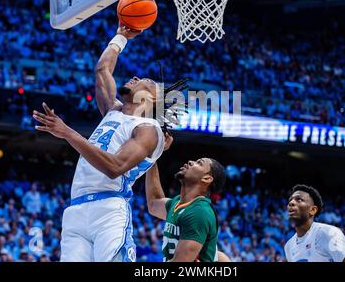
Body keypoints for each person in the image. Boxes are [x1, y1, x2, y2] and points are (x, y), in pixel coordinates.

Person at [32, 24, 167, 262]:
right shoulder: (113, 111)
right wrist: (121, 37)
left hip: (109, 209)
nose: (135, 77)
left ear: (152, 98)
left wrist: (67, 133)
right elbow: (102, 70)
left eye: (144, 80)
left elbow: (114, 167)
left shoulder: (148, 129)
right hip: (75, 210)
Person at [145, 150, 229, 262]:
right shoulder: (178, 203)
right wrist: (152, 154)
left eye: (199, 163)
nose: (190, 162)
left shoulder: (199, 212)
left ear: (207, 179)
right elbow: (153, 203)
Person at [284, 184, 345, 262]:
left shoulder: (326, 233)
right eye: (290, 200)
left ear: (313, 210)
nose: (291, 203)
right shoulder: (288, 246)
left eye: (299, 199)